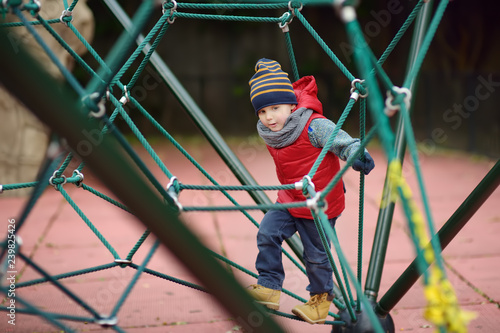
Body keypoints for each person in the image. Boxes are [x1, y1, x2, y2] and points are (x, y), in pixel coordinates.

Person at [246, 58, 375, 324]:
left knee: (315, 256)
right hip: (290, 197)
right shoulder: (271, 131)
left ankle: (320, 299)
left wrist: (355, 152)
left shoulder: (314, 125)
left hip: (319, 201)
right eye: (262, 112)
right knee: (267, 232)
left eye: (274, 108)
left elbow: (342, 141)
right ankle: (269, 286)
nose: (268, 117)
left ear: (292, 105)